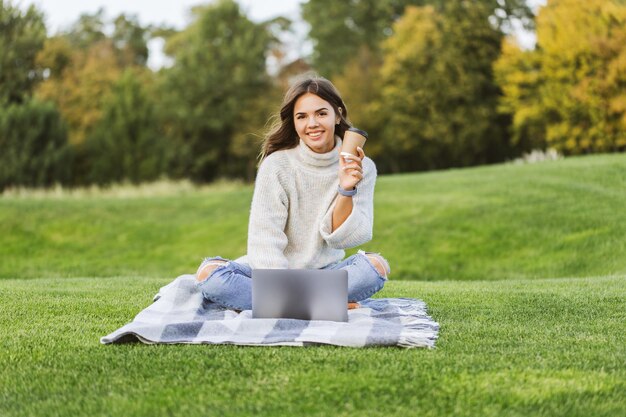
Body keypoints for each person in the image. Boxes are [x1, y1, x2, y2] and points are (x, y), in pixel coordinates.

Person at [195, 76, 391, 312]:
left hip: (324, 273)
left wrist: (346, 188)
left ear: (337, 115)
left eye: (321, 113)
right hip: (273, 274)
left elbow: (346, 239)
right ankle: (320, 304)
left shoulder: (362, 167)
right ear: (294, 122)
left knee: (376, 267)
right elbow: (264, 238)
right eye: (302, 117)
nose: (312, 123)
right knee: (210, 275)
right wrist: (283, 287)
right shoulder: (277, 165)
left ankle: (282, 305)